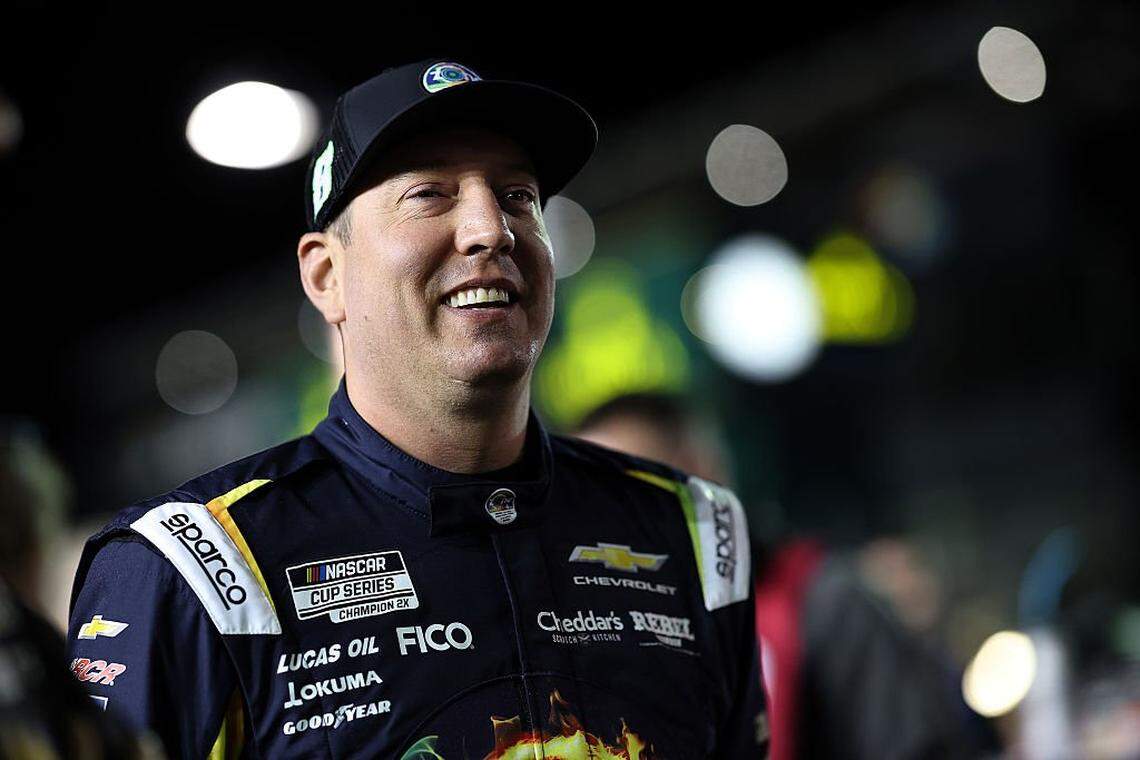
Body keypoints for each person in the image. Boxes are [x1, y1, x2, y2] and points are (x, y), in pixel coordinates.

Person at [66, 60, 768, 759]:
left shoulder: (694, 531)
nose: (491, 229)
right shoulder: (190, 567)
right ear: (326, 276)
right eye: (430, 194)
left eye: (518, 195)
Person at [575, 392, 999, 760]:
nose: (609, 522)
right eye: (587, 501)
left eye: (627, 493)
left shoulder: (822, 602)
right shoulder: (600, 642)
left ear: (703, 477)